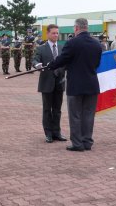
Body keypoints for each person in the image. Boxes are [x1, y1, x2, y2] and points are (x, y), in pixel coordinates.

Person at [43, 18, 102, 152]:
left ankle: (77, 143)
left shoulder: (72, 43)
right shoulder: (97, 44)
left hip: (76, 85)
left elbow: (62, 59)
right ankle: (87, 142)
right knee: (88, 115)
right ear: (87, 27)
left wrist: (50, 66)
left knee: (75, 115)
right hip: (92, 84)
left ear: (76, 28)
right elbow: (97, 64)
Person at [32, 24, 67, 143]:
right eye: (53, 33)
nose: (56, 35)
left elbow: (66, 62)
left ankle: (57, 132)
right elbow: (35, 59)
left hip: (60, 82)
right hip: (47, 83)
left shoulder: (63, 48)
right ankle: (48, 133)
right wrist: (37, 65)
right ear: (47, 34)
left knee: (57, 109)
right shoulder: (41, 48)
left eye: (57, 33)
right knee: (47, 109)